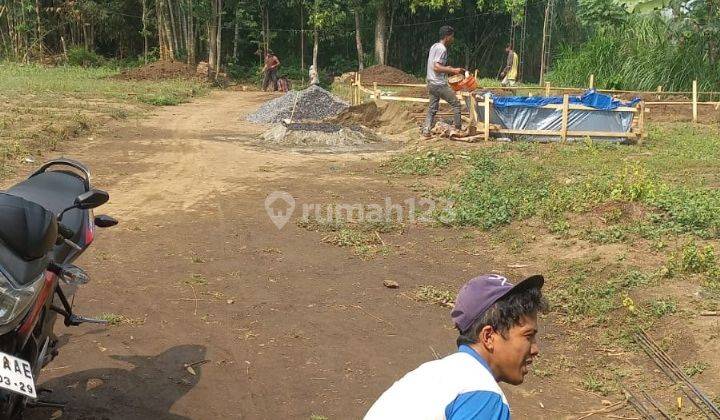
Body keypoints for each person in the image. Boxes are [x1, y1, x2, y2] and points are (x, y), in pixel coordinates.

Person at [365, 273, 548, 419]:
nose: (535, 349)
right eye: (528, 336)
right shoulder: (482, 394)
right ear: (488, 336)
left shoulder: (432, 375)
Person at [422, 25, 464, 138]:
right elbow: (436, 67)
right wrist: (452, 70)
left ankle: (426, 131)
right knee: (456, 104)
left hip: (431, 82)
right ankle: (458, 129)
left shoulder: (434, 46)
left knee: (432, 108)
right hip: (438, 84)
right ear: (447, 37)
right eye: (452, 36)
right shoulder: (442, 49)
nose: (453, 39)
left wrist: (446, 68)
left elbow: (435, 65)